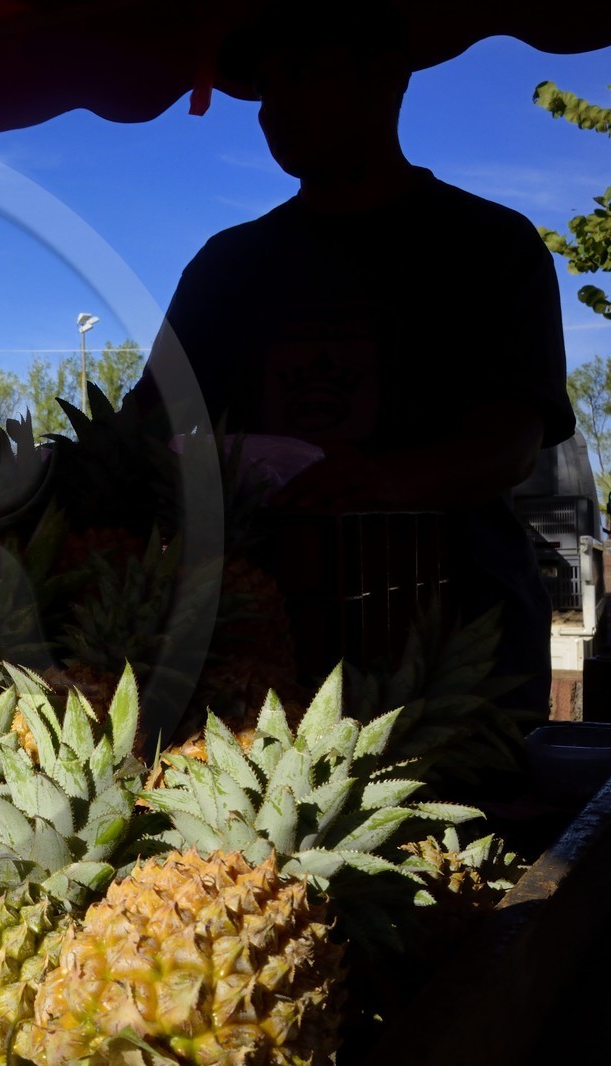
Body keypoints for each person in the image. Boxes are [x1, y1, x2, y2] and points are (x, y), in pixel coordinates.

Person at [125, 3, 573, 714]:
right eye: (266, 90)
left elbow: (509, 445)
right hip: (265, 658)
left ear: (387, 77)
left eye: (300, 73)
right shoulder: (227, 266)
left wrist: (372, 482)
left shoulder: (489, 245)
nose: (273, 111)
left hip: (458, 660)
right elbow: (143, 436)